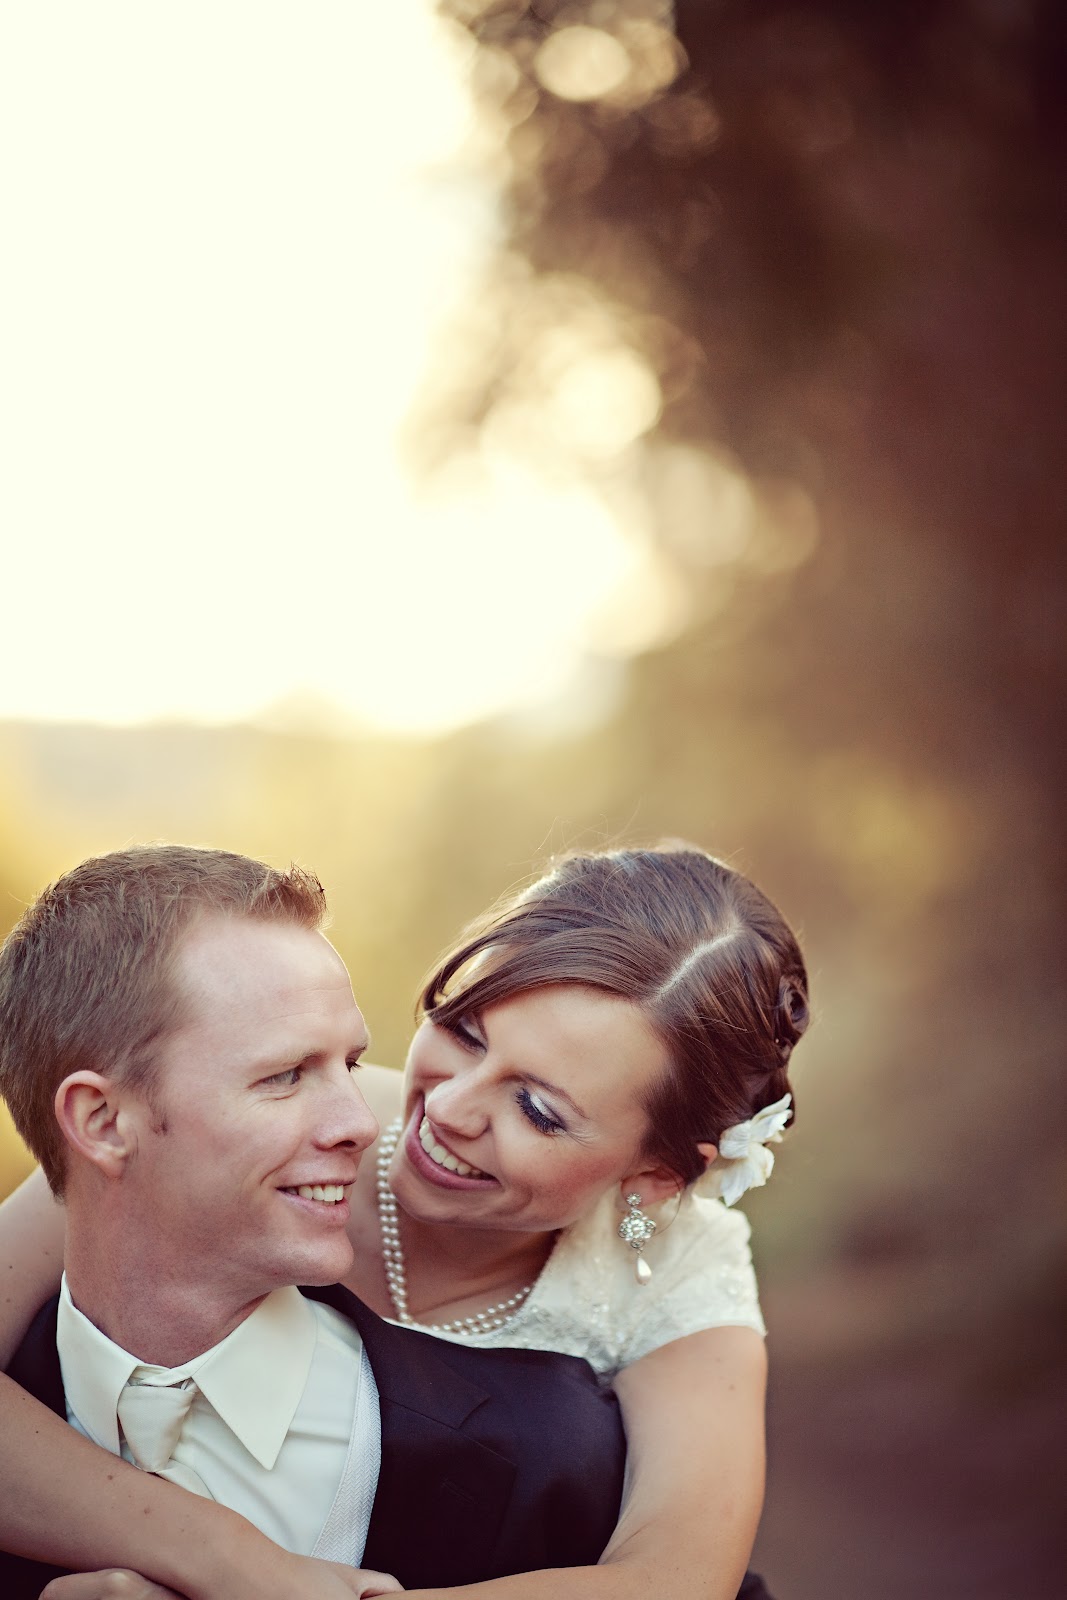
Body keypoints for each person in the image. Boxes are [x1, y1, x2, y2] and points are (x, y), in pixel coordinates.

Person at [0, 842, 807, 1600]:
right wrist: (227, 1561)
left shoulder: (677, 1268)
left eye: (536, 1108)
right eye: (461, 1031)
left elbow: (672, 1578)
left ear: (655, 1177)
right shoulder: (276, 1142)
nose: (448, 1109)